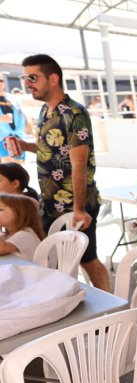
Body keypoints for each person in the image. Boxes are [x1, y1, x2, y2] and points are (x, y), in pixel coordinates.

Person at [15, 54, 110, 291]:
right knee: (56, 261)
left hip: (75, 205)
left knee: (88, 260)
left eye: (33, 77)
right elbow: (54, 149)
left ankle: (115, 309)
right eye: (25, 78)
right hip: (50, 204)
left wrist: (79, 209)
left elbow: (78, 164)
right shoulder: (45, 112)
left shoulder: (74, 114)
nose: (28, 84)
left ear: (53, 78)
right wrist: (27, 147)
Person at [0, 193, 45, 261]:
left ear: (19, 213)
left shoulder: (25, 234)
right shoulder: (7, 234)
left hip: (32, 271)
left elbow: (1, 249)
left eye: (0, 209)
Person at [0, 74, 27, 163]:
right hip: (3, 138)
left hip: (17, 136)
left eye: (1, 81)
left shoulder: (12, 98)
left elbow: (22, 115)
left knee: (19, 169)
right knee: (8, 169)